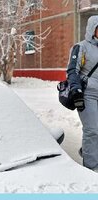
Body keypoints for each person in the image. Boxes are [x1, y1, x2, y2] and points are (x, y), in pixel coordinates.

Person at [67, 15, 98, 171]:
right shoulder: (81, 47)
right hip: (87, 94)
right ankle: (91, 168)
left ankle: (89, 152)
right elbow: (73, 70)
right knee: (92, 129)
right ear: (92, 30)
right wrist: (76, 89)